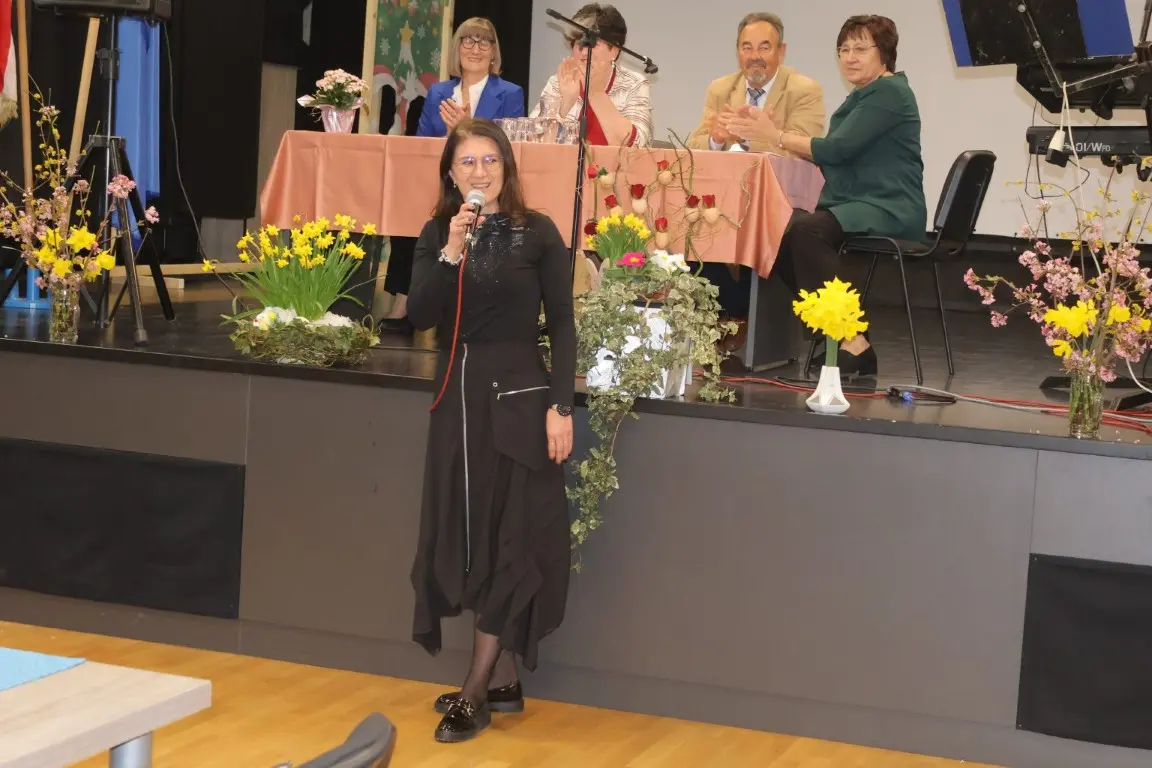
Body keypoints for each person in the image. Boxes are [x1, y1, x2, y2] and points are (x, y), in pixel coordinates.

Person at [407, 118, 576, 743]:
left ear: (506, 167)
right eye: (467, 162)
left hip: (521, 401)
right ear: (451, 174)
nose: (479, 172)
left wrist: (561, 408)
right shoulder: (438, 233)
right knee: (473, 535)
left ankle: (475, 690)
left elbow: (562, 323)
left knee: (511, 539)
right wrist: (452, 248)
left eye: (489, 160)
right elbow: (421, 315)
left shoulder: (539, 232)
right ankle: (502, 681)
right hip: (458, 401)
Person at [728, 14, 926, 377]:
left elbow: (836, 150)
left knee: (806, 231)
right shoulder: (864, 96)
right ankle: (848, 336)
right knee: (780, 232)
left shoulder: (889, 93)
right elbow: (832, 152)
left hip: (888, 205)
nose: (850, 57)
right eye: (843, 50)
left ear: (884, 53)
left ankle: (850, 339)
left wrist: (775, 136)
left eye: (860, 49)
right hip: (860, 203)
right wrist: (778, 136)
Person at [381, 17, 525, 335]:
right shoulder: (439, 92)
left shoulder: (510, 93)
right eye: (468, 41)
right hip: (441, 180)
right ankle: (404, 302)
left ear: (494, 51)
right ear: (457, 48)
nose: (475, 48)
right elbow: (421, 144)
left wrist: (465, 129)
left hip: (485, 184)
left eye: (484, 42)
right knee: (409, 210)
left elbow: (509, 145)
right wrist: (449, 138)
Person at [687, 12, 824, 155]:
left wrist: (748, 138)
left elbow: (805, 153)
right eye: (747, 48)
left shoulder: (804, 91)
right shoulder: (720, 89)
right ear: (737, 51)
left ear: (781, 51)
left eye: (764, 48)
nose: (754, 56)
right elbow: (691, 149)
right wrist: (715, 140)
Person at [531, 3, 652, 147]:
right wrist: (565, 105)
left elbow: (638, 147)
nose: (583, 53)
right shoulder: (560, 81)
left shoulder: (634, 84)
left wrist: (596, 93)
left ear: (614, 50)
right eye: (579, 44)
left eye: (592, 44)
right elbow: (531, 142)